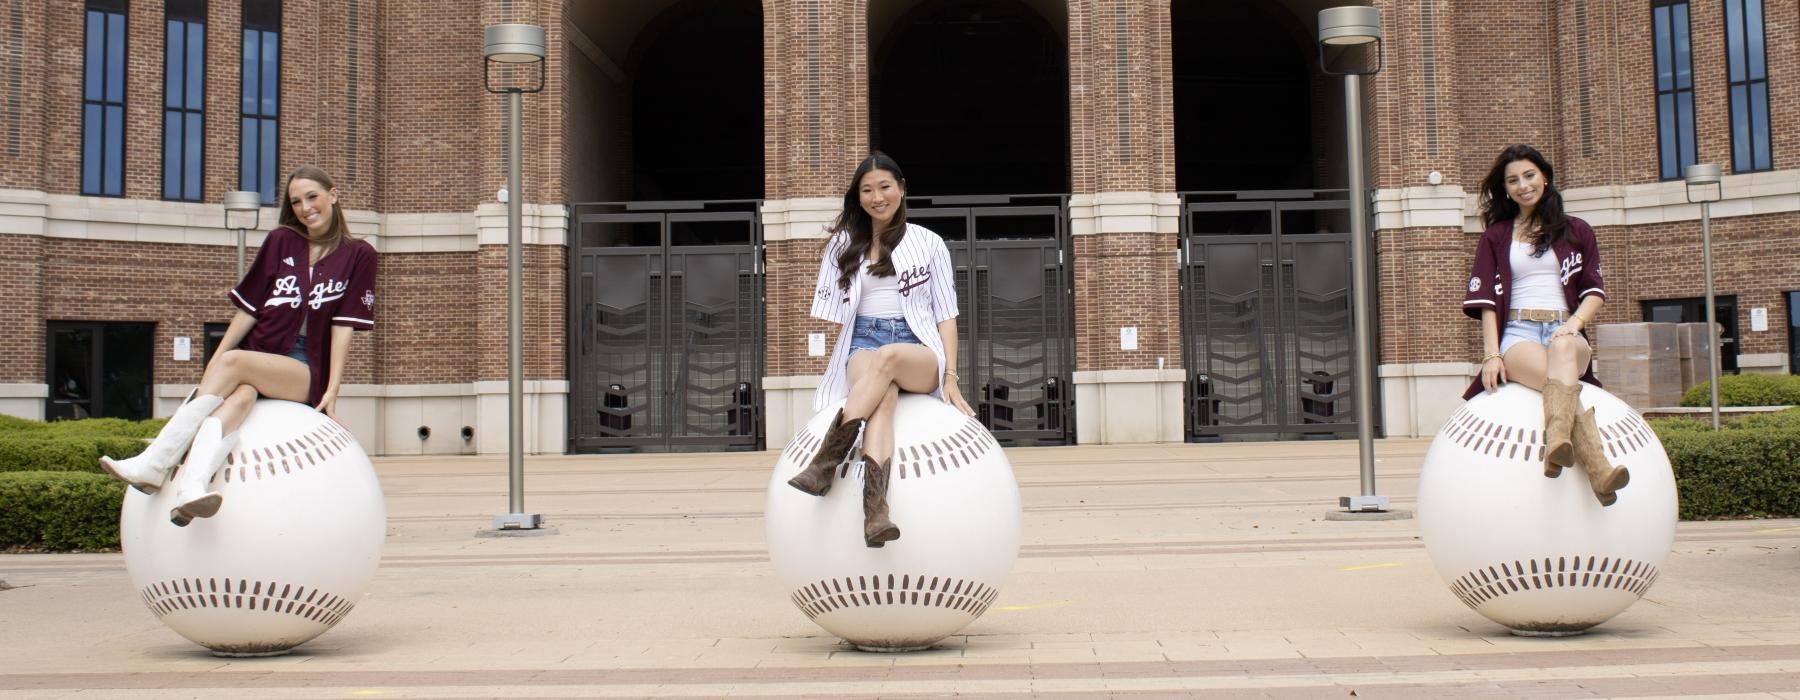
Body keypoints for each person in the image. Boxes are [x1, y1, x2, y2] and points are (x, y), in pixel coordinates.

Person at [100, 165, 378, 525]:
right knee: (241, 395)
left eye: (312, 196)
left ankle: (155, 462)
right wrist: (215, 366)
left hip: (304, 365)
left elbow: (344, 325)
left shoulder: (359, 254)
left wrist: (333, 387)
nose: (305, 207)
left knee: (235, 365)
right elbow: (249, 311)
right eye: (296, 201)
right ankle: (191, 490)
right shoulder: (281, 241)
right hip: (259, 354)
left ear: (333, 195)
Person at [785, 152, 975, 547]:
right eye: (867, 190)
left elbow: (947, 316)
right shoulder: (844, 244)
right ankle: (876, 514)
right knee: (882, 398)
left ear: (902, 189)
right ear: (858, 197)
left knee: (888, 360)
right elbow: (833, 310)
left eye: (885, 187)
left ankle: (825, 463)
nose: (877, 196)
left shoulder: (928, 243)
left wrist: (952, 378)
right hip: (862, 342)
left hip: (915, 345)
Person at [1462, 144, 1629, 506]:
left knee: (1564, 349)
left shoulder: (1576, 231)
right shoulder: (1496, 236)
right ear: (1505, 189)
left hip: (1566, 329)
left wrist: (1574, 323)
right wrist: (1491, 354)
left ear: (1545, 177)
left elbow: (1595, 291)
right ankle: (1599, 471)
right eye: (1513, 180)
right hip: (1518, 333)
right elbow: (1488, 302)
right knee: (1566, 389)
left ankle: (1558, 442)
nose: (1523, 185)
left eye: (1529, 175)